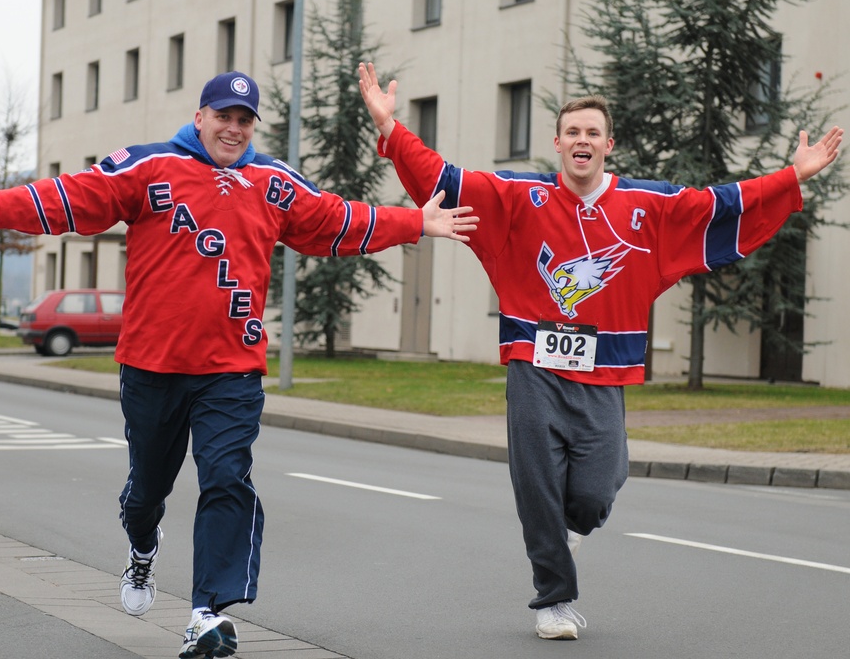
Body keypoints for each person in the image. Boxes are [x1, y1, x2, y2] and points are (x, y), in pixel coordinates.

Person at [0, 70, 477, 658]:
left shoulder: (273, 183)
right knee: (146, 491)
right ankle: (141, 548)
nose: (233, 129)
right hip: (152, 367)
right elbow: (74, 198)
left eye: (244, 120)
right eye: (223, 116)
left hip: (231, 369)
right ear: (200, 116)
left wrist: (415, 221)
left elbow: (333, 220)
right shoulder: (149, 167)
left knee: (227, 478)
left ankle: (207, 613)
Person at [357, 61, 842, 641]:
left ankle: (568, 534)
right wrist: (391, 129)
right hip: (534, 367)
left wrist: (792, 177)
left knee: (595, 491)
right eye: (573, 132)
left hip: (604, 373)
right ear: (557, 142)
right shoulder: (518, 197)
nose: (582, 141)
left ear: (608, 145)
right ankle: (553, 601)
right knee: (537, 488)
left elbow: (722, 204)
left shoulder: (649, 206)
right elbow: (444, 179)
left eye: (593, 133)